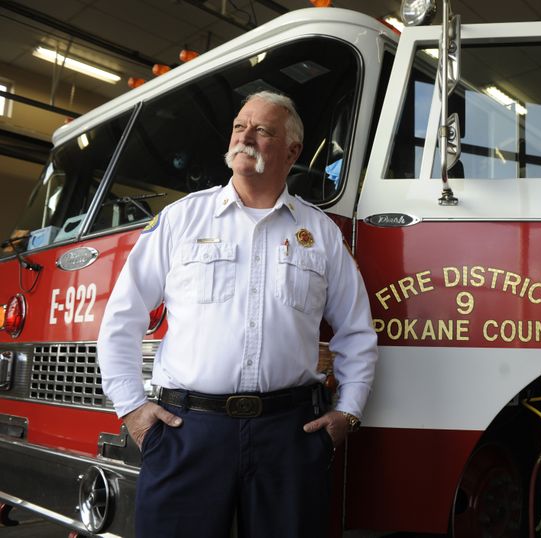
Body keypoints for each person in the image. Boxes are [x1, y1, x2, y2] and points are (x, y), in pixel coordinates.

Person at [98, 91, 378, 538]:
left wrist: (349, 412)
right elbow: (123, 316)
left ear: (292, 151)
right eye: (239, 126)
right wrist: (131, 407)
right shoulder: (181, 219)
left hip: (290, 436)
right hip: (187, 432)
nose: (246, 136)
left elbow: (357, 332)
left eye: (263, 129)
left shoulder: (321, 233)